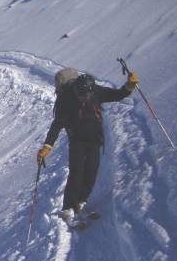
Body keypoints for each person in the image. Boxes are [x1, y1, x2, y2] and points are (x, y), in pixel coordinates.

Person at [37, 69, 139, 224]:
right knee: (76, 172)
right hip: (77, 139)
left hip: (94, 139)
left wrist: (129, 85)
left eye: (87, 96)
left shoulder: (94, 90)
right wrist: (47, 146)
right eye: (81, 96)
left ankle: (81, 202)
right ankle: (68, 208)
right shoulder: (65, 101)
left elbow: (117, 95)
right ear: (76, 92)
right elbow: (56, 126)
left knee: (92, 170)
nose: (84, 99)